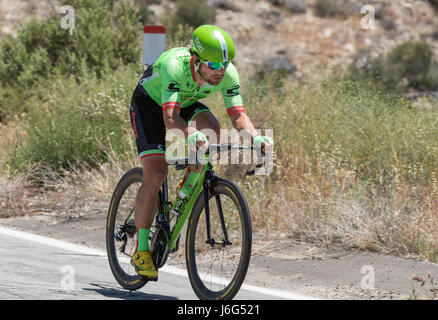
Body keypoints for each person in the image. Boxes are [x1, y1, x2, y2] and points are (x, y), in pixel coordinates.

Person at [129, 24, 273, 278]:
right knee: (156, 172)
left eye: (225, 65)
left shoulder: (227, 73)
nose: (220, 72)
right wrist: (189, 133)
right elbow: (171, 118)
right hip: (150, 106)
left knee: (213, 130)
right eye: (214, 66)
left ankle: (188, 185)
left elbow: (238, 115)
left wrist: (256, 137)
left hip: (183, 102)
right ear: (195, 60)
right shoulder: (175, 65)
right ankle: (141, 249)